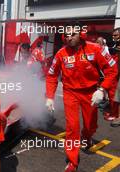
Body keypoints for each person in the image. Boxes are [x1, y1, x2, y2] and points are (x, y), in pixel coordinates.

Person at [45, 24, 118, 172]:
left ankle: (87, 136)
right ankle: (72, 161)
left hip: (91, 92)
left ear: (82, 34)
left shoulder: (96, 49)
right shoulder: (61, 53)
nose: (69, 37)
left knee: (90, 124)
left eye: (73, 34)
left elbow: (112, 70)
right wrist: (50, 97)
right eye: (66, 35)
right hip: (70, 92)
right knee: (72, 127)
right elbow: (52, 75)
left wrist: (102, 89)